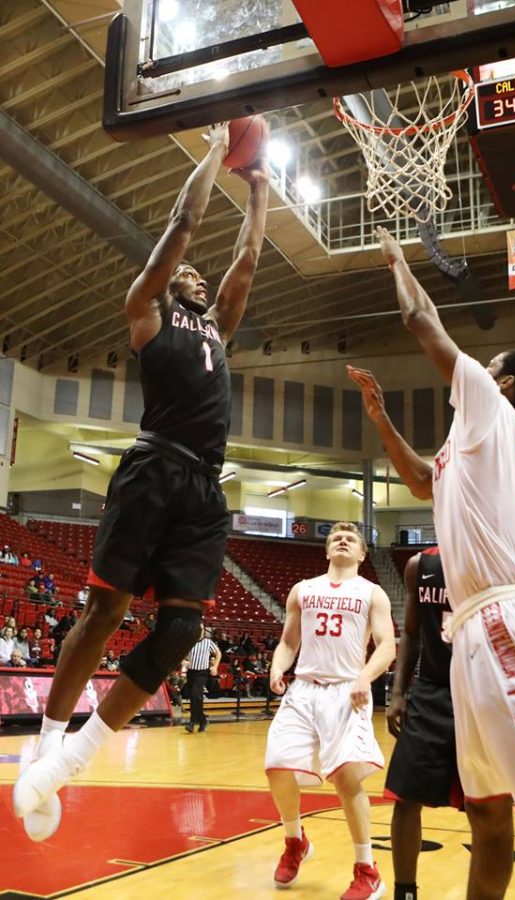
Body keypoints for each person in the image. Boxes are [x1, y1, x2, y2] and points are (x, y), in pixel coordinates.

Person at [13, 119, 269, 843]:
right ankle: (46, 741)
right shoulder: (147, 312)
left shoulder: (219, 324)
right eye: (184, 273)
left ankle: (71, 762)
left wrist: (259, 191)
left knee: (182, 627)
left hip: (205, 489)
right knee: (102, 613)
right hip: (153, 467)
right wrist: (216, 152)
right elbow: (185, 224)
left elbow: (247, 256)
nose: (195, 275)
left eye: (197, 276)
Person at [347, 225, 515, 900]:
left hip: (500, 623)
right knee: (488, 820)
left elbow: (420, 320)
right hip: (472, 635)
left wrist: (397, 257)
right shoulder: (472, 442)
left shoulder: (494, 412)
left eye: (487, 366)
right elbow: (422, 484)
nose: (477, 372)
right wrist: (380, 420)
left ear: (505, 382)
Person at [265, 522, 395, 900]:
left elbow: (387, 645)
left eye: (351, 538)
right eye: (335, 537)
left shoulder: (372, 593)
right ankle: (295, 842)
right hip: (304, 688)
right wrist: (278, 665)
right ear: (326, 551)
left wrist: (365, 677)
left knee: (345, 778)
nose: (342, 540)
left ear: (361, 554)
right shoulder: (303, 589)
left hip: (346, 691)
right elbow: (290, 640)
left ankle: (367, 870)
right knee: (276, 766)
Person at [385, 548, 460, 900]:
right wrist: (398, 692)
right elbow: (412, 632)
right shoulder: (421, 565)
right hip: (432, 691)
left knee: (487, 806)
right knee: (406, 796)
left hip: (481, 691)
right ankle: (405, 893)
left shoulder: (495, 558)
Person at [185, 624, 221, 733]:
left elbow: (218, 653)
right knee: (194, 697)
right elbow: (183, 653)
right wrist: (184, 661)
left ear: (203, 630)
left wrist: (215, 666)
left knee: (196, 694)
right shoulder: (190, 641)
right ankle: (202, 720)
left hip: (202, 673)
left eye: (200, 629)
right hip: (191, 672)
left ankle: (192, 722)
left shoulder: (208, 642)